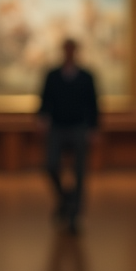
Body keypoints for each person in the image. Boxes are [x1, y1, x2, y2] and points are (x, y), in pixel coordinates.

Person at [38, 38, 99, 234]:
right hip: (57, 127)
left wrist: (93, 128)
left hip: (79, 127)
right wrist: (42, 118)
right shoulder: (52, 75)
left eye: (72, 50)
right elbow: (44, 99)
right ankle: (66, 200)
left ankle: (74, 216)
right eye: (67, 50)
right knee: (51, 165)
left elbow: (93, 104)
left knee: (79, 172)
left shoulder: (86, 76)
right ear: (63, 51)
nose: (69, 53)